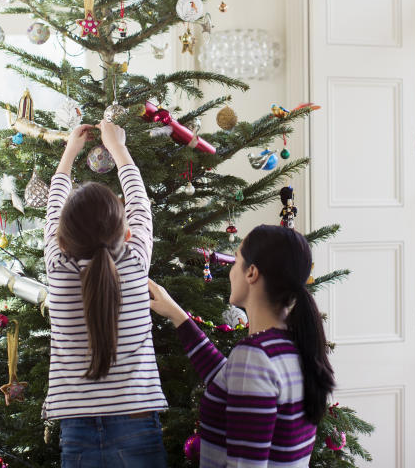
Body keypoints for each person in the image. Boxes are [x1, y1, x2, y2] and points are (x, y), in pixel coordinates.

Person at [149, 225, 335, 467]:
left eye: (236, 260)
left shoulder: (255, 355)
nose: (229, 271)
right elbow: (225, 378)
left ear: (251, 273)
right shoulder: (294, 345)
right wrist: (177, 315)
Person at [43, 120, 168, 468]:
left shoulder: (57, 269)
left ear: (62, 240)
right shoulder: (135, 262)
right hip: (138, 424)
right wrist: (118, 147)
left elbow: (53, 209)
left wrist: (70, 152)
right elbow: (141, 206)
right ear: (126, 233)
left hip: (77, 430)